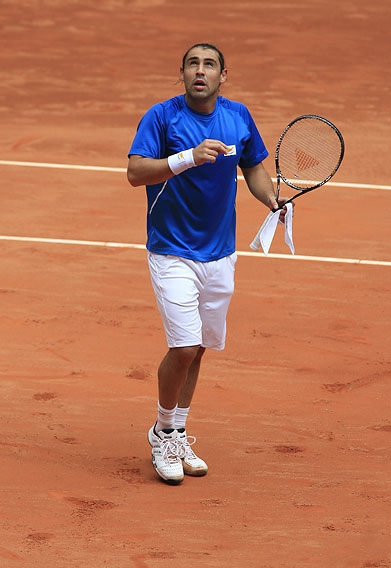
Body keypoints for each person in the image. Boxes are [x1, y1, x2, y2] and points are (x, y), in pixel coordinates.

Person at [127, 43, 288, 485]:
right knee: (183, 346)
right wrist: (188, 157)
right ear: (182, 73)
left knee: (198, 348)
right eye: (193, 64)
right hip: (172, 250)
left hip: (220, 254)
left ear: (223, 76)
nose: (201, 71)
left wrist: (271, 199)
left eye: (210, 65)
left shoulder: (238, 116)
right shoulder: (162, 117)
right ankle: (163, 433)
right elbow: (136, 172)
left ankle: (177, 431)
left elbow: (254, 168)